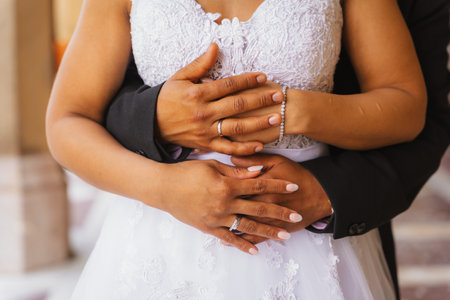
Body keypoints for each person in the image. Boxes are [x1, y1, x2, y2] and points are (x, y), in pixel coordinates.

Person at [44, 0, 447, 299]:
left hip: (309, 239)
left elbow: (407, 109)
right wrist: (163, 188)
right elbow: (68, 121)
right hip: (161, 240)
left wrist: (295, 112)